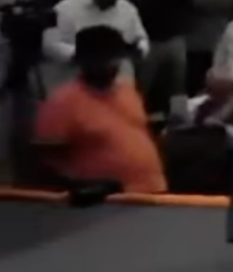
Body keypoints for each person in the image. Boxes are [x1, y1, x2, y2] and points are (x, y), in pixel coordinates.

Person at [30, 25, 167, 193]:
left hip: (153, 190)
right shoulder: (61, 102)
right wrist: (84, 189)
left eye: (115, 58)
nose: (112, 64)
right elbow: (46, 162)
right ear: (83, 61)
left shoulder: (128, 90)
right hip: (109, 201)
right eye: (104, 59)